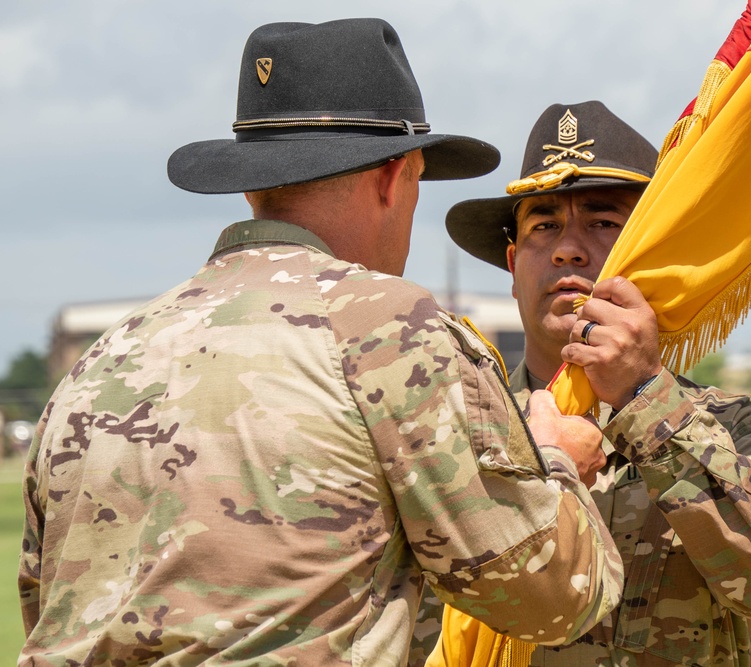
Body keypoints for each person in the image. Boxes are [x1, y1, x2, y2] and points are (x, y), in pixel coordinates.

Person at [17, 24, 626, 666]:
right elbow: (555, 597)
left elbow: (45, 608)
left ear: (253, 186)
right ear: (394, 178)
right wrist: (558, 463)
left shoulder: (101, 362)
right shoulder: (387, 330)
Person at [414, 101, 751, 666]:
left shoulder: (730, 427)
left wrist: (645, 400)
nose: (568, 246)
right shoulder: (443, 428)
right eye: (543, 225)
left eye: (604, 222)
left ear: (655, 255)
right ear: (513, 264)